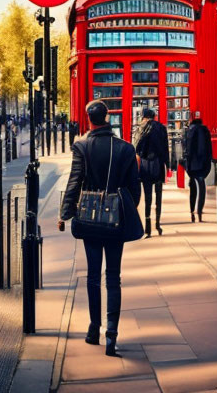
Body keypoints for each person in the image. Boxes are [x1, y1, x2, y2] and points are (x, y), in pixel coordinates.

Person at [58, 100, 142, 357]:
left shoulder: (81, 146)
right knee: (113, 278)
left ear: (89, 120)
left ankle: (94, 329)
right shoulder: (126, 149)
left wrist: (65, 214)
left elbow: (75, 182)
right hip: (116, 220)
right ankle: (112, 336)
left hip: (90, 218)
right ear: (107, 118)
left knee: (93, 276)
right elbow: (134, 189)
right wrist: (124, 210)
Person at [135, 108, 170, 237]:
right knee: (159, 195)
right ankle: (158, 224)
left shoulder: (140, 128)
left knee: (148, 197)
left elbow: (136, 148)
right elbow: (166, 149)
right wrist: (168, 165)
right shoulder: (161, 128)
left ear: (144, 116)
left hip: (145, 165)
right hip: (159, 164)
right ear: (154, 116)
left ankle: (148, 227)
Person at [184, 114, 213, 222]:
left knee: (193, 188)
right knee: (202, 188)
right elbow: (209, 149)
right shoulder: (205, 131)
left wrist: (188, 165)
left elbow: (188, 150)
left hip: (193, 165)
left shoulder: (190, 131)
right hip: (203, 164)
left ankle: (192, 211)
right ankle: (199, 211)